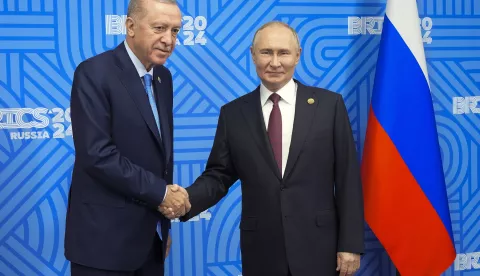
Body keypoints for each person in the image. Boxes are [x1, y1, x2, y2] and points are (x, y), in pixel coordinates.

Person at [168, 21, 365, 276]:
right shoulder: (234, 113)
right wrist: (185, 200)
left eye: (283, 52)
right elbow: (219, 175)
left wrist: (350, 244)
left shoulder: (329, 106)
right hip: (262, 250)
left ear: (298, 56)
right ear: (252, 54)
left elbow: (348, 178)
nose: (274, 62)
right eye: (266, 52)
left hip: (320, 248)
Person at [65, 0, 190, 275]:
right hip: (103, 244)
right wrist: (163, 193)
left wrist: (160, 227)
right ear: (130, 27)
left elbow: (158, 157)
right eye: (159, 28)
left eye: (175, 31)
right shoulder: (94, 73)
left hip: (149, 241)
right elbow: (96, 155)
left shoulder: (163, 78)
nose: (168, 39)